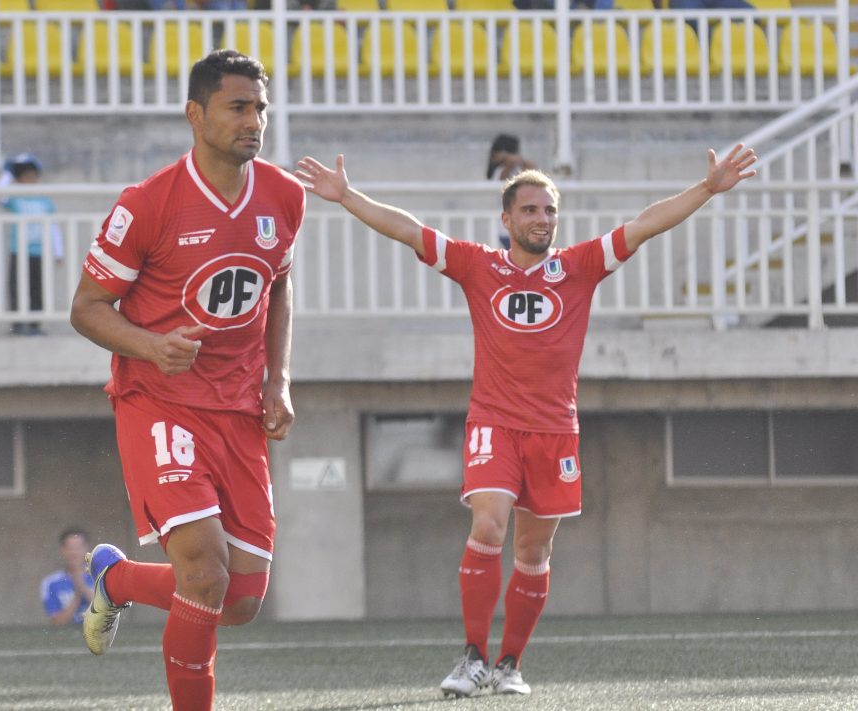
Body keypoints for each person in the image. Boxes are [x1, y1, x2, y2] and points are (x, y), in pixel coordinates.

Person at [294, 144, 757, 698]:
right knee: (488, 524)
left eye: (550, 211)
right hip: (493, 423)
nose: (542, 220)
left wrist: (706, 189)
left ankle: (509, 665)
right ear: (506, 220)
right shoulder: (478, 265)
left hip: (555, 431)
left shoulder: (579, 266)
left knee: (532, 553)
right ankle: (471, 657)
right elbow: (410, 231)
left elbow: (643, 226)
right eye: (531, 210)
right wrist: (346, 197)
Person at [69, 49, 305, 711]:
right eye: (238, 107)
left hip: (238, 410)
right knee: (202, 570)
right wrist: (151, 345)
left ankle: (114, 577)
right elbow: (85, 307)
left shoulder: (285, 196)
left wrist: (277, 379)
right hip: (158, 401)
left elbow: (278, 285)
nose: (253, 121)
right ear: (195, 114)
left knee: (241, 600)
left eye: (260, 107)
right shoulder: (146, 204)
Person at [0, 152, 63, 336]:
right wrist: (8, 172)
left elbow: (54, 227)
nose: (30, 181)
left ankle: (35, 324)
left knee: (36, 288)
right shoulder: (15, 198)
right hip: (18, 250)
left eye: (33, 177)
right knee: (16, 286)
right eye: (25, 177)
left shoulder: (44, 201)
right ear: (18, 180)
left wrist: (59, 252)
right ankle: (17, 324)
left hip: (38, 251)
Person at [486, 134, 536, 249]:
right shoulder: (499, 171)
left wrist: (513, 159)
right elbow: (503, 179)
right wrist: (510, 160)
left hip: (521, 227)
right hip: (505, 229)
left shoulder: (519, 169)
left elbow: (533, 170)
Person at [40, 527, 95, 626]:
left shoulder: (100, 577)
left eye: (78, 548)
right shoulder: (51, 582)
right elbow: (58, 622)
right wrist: (77, 593)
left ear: (87, 549)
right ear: (62, 550)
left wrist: (82, 586)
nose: (74, 553)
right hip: (66, 638)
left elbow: (108, 613)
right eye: (70, 548)